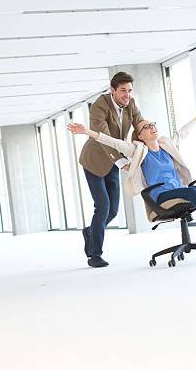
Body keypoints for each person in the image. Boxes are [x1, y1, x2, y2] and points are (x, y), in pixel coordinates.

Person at [68, 109, 196, 223]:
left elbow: (183, 133)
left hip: (177, 190)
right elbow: (114, 142)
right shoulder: (138, 150)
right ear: (140, 136)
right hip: (160, 196)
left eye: (152, 124)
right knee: (191, 193)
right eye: (145, 127)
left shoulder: (166, 145)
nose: (151, 127)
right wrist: (88, 132)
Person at [78, 72, 145, 268]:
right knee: (103, 206)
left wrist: (150, 134)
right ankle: (94, 254)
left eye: (129, 90)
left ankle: (91, 232)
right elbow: (103, 136)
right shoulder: (99, 106)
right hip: (94, 161)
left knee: (113, 211)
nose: (127, 95)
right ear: (112, 90)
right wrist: (120, 161)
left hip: (114, 162)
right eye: (123, 90)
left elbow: (140, 122)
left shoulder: (130, 104)